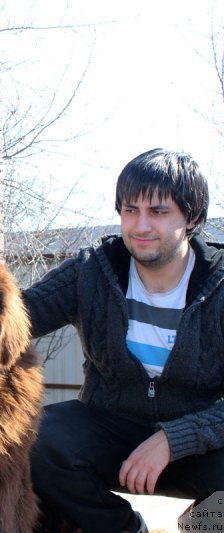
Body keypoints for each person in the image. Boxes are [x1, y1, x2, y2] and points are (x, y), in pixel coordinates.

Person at [24, 148, 224, 533]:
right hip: (109, 428)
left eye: (158, 212)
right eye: (130, 210)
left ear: (193, 217)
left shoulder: (219, 283)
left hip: (198, 443)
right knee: (39, 439)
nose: (140, 225)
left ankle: (201, 527)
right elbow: (13, 316)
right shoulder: (91, 271)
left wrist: (174, 438)